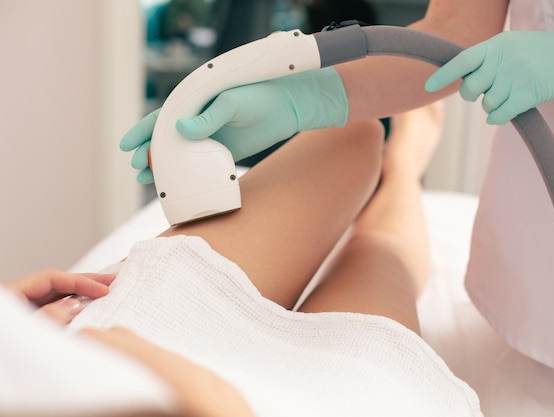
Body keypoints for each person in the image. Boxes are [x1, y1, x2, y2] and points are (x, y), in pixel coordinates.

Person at [119, 0, 554, 402]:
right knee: (375, 236)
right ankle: (404, 161)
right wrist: (307, 99)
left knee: (351, 145)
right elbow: (456, 27)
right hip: (353, 394)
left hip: (139, 356)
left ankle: (400, 153)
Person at [2, 104, 484, 417]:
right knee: (378, 252)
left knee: (352, 135)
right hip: (314, 404)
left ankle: (390, 155)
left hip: (108, 351)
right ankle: (406, 167)